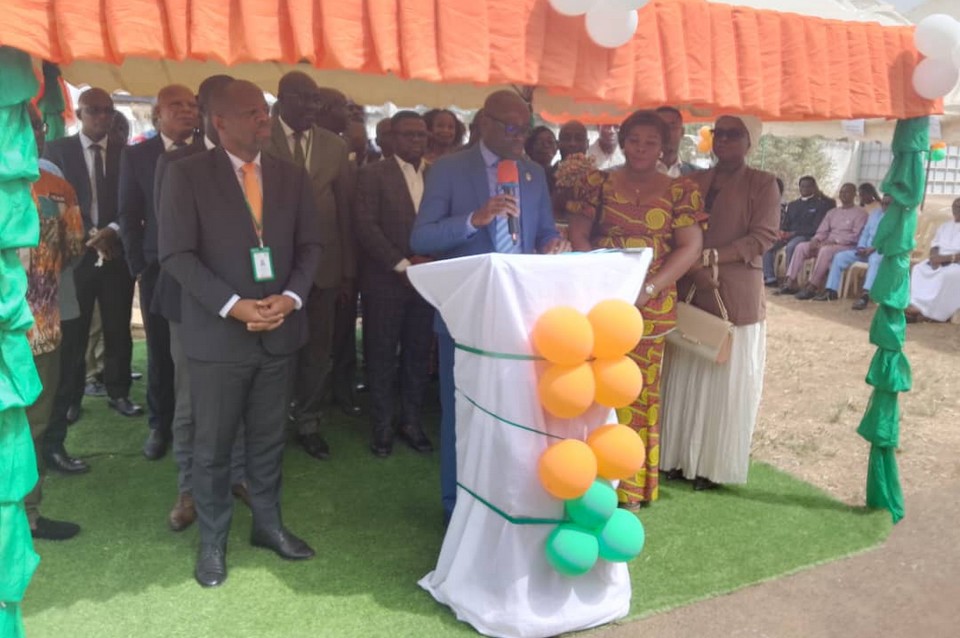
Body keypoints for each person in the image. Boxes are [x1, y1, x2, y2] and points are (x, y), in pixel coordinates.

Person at [158, 79, 323, 587]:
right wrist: (234, 306)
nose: (263, 119)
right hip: (218, 337)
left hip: (279, 332)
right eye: (252, 112)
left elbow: (312, 246)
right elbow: (176, 255)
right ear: (220, 122)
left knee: (269, 440)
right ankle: (213, 541)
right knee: (212, 446)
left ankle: (268, 526)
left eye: (263, 110)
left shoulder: (292, 176)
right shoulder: (187, 174)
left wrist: (291, 298)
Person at [410, 90, 566, 525]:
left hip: (522, 315)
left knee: (514, 415)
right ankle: (457, 511)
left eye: (526, 128)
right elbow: (421, 237)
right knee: (463, 414)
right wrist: (473, 220)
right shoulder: (448, 170)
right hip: (466, 312)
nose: (521, 137)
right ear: (485, 122)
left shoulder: (533, 173)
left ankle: (506, 504)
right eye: (512, 128)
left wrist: (552, 243)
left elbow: (544, 232)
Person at [566, 110, 704, 509]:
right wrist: (603, 280)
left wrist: (648, 289)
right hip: (603, 303)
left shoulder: (681, 190)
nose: (641, 148)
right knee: (599, 390)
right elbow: (578, 234)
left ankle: (631, 489)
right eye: (634, 140)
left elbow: (690, 246)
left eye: (651, 142)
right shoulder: (597, 183)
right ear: (623, 142)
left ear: (664, 147)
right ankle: (593, 481)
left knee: (637, 394)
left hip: (651, 305)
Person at [660, 115, 779, 491]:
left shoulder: (763, 184)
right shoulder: (692, 180)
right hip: (691, 286)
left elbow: (763, 237)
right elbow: (674, 227)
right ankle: (676, 458)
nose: (724, 140)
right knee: (685, 368)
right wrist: (694, 265)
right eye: (719, 133)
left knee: (723, 382)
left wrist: (709, 257)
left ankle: (711, 467)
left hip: (734, 291)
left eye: (733, 134)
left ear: (749, 142)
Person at [153, 74, 250, 532]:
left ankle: (237, 473)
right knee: (192, 401)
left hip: (246, 303)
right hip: (190, 302)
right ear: (214, 114)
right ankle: (189, 487)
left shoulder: (259, 164)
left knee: (242, 392)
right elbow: (172, 244)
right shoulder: (177, 163)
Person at [262, 71, 355, 460]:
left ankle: (309, 421)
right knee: (274, 350)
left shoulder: (335, 145)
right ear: (281, 98)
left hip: (325, 266)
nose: (312, 106)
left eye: (316, 99)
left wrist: (348, 268)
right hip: (273, 266)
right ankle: (270, 424)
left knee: (318, 349)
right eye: (303, 98)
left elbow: (345, 207)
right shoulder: (260, 137)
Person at [43, 88, 142, 425]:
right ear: (79, 113)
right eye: (94, 110)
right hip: (76, 256)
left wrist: (112, 229)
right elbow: (53, 201)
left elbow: (135, 201)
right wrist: (87, 234)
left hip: (116, 252)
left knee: (118, 327)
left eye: (108, 110)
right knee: (75, 331)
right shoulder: (58, 151)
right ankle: (71, 398)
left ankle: (119, 392)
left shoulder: (127, 153)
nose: (102, 117)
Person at [118, 84, 199, 461]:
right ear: (157, 114)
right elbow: (129, 214)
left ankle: (202, 421)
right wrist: (139, 266)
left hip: (203, 267)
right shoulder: (137, 155)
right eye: (176, 105)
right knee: (161, 349)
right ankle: (160, 423)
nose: (187, 111)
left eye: (192, 105)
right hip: (157, 268)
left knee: (201, 348)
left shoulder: (210, 151)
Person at [355, 111, 435, 458]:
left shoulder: (436, 174)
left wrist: (427, 264)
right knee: (382, 354)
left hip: (427, 281)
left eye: (421, 134)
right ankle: (383, 425)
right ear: (391, 138)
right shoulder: (372, 174)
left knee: (418, 354)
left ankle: (411, 422)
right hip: (386, 280)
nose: (415, 140)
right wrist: (401, 264)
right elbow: (365, 226)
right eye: (407, 134)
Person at [23, 104, 87, 540]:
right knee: (30, 426)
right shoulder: (57, 189)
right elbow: (73, 250)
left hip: (41, 333)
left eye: (38, 125)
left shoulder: (60, 189)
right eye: (25, 125)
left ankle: (27, 515)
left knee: (35, 426)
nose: (36, 134)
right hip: (37, 327)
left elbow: (75, 248)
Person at [779, 183, 867, 300]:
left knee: (826, 250)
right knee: (801, 247)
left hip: (846, 246)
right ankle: (790, 282)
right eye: (841, 192)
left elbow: (857, 236)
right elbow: (822, 230)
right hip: (827, 243)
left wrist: (835, 241)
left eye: (847, 192)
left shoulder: (861, 213)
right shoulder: (832, 212)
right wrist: (816, 239)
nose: (843, 195)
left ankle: (812, 286)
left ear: (854, 195)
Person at [762, 175, 835, 286]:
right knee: (768, 244)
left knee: (792, 246)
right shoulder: (793, 205)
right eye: (802, 186)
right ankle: (770, 278)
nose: (804, 189)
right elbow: (786, 223)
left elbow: (816, 227)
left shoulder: (820, 205)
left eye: (808, 186)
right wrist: (782, 232)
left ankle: (790, 280)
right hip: (789, 235)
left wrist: (794, 233)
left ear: (813, 188)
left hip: (805, 236)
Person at [824, 193, 890, 309]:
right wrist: (861, 247)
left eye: (888, 204)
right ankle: (831, 290)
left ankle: (865, 295)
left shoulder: (896, 218)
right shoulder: (875, 213)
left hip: (881, 251)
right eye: (883, 203)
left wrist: (874, 248)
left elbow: (891, 239)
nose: (884, 206)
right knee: (840, 257)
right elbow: (865, 232)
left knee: (874, 260)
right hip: (865, 250)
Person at [907, 197, 960, 323]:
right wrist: (934, 257)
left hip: (956, 263)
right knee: (918, 269)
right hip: (938, 260)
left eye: (959, 207)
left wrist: (944, 259)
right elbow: (935, 244)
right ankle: (915, 304)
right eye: (955, 206)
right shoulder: (945, 226)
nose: (956, 209)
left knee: (944, 275)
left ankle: (927, 312)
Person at [655, 106, 699, 177]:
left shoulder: (697, 175)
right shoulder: (637, 173)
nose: (666, 132)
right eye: (660, 127)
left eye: (672, 127)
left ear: (682, 132)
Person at [524, 125, 558, 194]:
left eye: (550, 142)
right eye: (540, 142)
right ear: (530, 147)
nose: (546, 145)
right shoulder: (525, 173)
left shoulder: (559, 173)